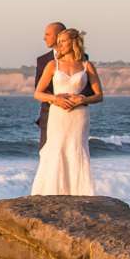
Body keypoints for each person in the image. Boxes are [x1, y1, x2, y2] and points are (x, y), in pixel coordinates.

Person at [31, 26, 103, 196]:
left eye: (63, 41)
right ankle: (51, 192)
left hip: (79, 116)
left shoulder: (87, 66)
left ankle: (79, 193)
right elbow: (37, 93)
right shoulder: (52, 65)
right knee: (56, 149)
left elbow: (99, 95)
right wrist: (55, 99)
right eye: (59, 41)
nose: (59, 45)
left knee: (76, 150)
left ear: (73, 42)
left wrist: (83, 99)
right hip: (58, 115)